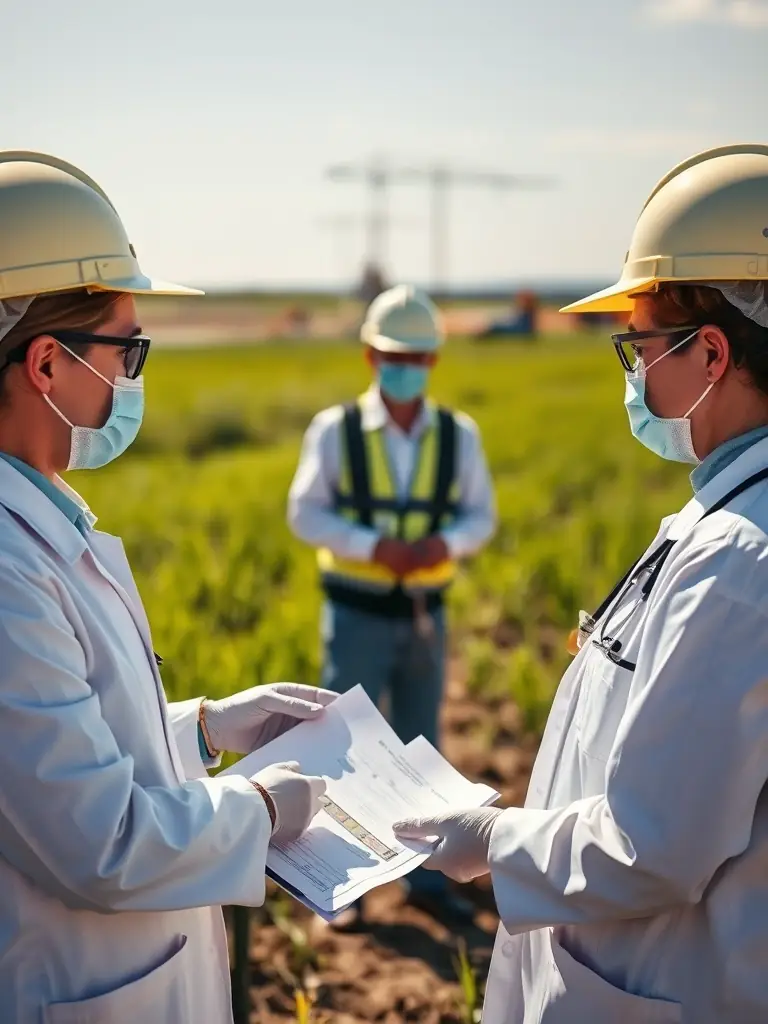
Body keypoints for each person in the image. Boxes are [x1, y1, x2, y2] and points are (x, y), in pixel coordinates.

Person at [394, 143, 768, 1023]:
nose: (633, 373)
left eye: (638, 346)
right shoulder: (725, 524)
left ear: (710, 355)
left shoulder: (739, 564)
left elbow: (655, 846)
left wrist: (493, 841)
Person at [0, 151, 334, 1024]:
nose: (135, 374)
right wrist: (261, 806)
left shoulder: (42, 522)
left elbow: (54, 750)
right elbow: (99, 841)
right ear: (46, 366)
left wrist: (204, 728)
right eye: (128, 348)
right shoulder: (5, 568)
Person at [288, 284, 496, 924]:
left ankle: (422, 878)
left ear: (433, 361)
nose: (402, 367)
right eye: (390, 354)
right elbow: (304, 514)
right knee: (338, 752)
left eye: (415, 356)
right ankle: (335, 886)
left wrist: (444, 542)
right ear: (369, 355)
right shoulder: (335, 430)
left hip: (424, 616)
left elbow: (480, 517)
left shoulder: (458, 436)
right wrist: (373, 546)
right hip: (355, 614)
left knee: (420, 745)